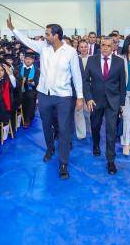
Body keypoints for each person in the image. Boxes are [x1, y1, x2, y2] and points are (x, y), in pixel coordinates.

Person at [7, 15, 84, 180]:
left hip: (63, 96)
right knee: (46, 125)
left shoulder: (70, 52)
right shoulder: (43, 47)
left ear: (56, 36)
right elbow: (26, 40)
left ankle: (63, 164)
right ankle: (50, 148)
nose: (45, 37)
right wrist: (13, 29)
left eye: (47, 34)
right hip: (44, 95)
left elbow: (76, 75)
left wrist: (80, 97)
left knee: (64, 130)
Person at [82, 37, 126, 174]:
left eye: (108, 46)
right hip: (95, 101)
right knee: (95, 126)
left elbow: (122, 83)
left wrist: (122, 103)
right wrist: (88, 99)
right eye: (103, 45)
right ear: (100, 46)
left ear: (113, 47)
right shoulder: (92, 60)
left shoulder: (119, 62)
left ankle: (111, 160)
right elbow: (85, 82)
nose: (105, 48)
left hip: (113, 101)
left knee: (111, 130)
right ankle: (96, 143)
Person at [19, 52, 39, 129]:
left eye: (30, 59)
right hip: (20, 89)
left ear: (33, 60)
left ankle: (28, 119)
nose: (28, 60)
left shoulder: (36, 70)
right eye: (26, 59)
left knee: (30, 97)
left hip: (31, 89)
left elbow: (38, 82)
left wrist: (33, 83)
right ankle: (19, 118)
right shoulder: (18, 68)